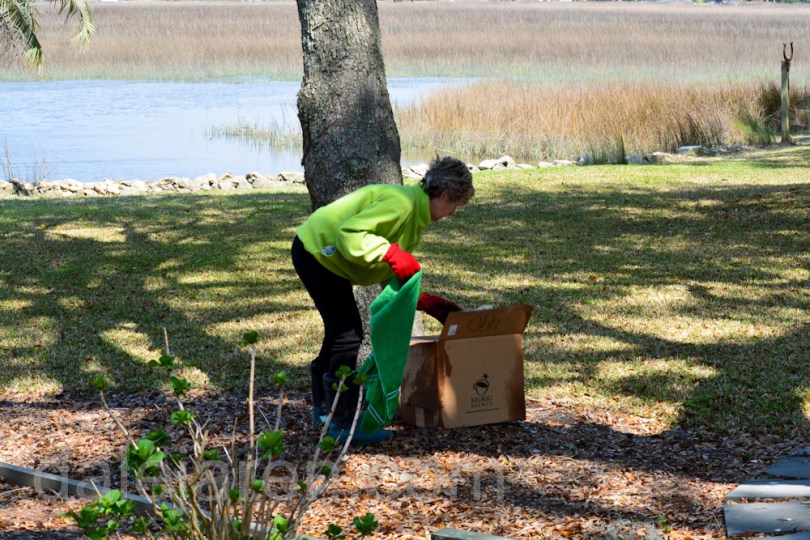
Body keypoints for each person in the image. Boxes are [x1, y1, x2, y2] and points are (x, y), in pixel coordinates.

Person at [291, 156, 474, 444]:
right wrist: (391, 253)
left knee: (340, 331)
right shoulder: (401, 204)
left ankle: (325, 411)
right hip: (316, 252)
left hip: (323, 257)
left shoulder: (413, 216)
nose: (452, 212)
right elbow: (350, 235)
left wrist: (424, 301)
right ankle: (341, 422)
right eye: (456, 205)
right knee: (348, 334)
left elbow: (387, 269)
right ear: (444, 194)